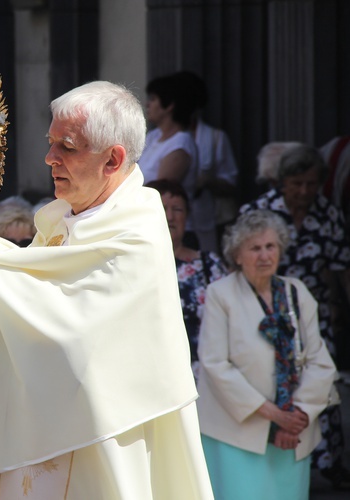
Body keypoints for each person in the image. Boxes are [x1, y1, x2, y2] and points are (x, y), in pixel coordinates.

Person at [0, 81, 213, 499]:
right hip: (32, 439)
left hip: (102, 440)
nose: (50, 158)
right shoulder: (56, 223)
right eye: (50, 144)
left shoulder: (137, 231)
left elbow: (69, 330)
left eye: (67, 146)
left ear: (113, 159)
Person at [197, 209, 337, 499]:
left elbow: (320, 362)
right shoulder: (220, 294)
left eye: (270, 246)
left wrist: (296, 414)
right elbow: (214, 363)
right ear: (237, 255)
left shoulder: (296, 292)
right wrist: (273, 414)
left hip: (294, 432)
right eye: (254, 248)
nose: (264, 256)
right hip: (236, 433)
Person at [240, 145, 350, 487]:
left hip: (313, 312)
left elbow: (341, 268)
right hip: (267, 312)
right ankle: (273, 463)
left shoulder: (328, 214)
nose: (304, 191)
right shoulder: (259, 212)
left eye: (311, 184)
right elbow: (239, 263)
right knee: (272, 384)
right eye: (297, 183)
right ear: (282, 182)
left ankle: (330, 462)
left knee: (322, 385)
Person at [146, 179, 228, 381]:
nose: (170, 216)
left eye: (178, 210)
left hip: (207, 378)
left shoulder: (209, 265)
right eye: (163, 208)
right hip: (154, 376)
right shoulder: (133, 265)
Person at [174, 71, 240, 251]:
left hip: (204, 219)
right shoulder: (156, 139)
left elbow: (231, 183)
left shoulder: (215, 138)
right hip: (170, 220)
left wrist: (208, 181)